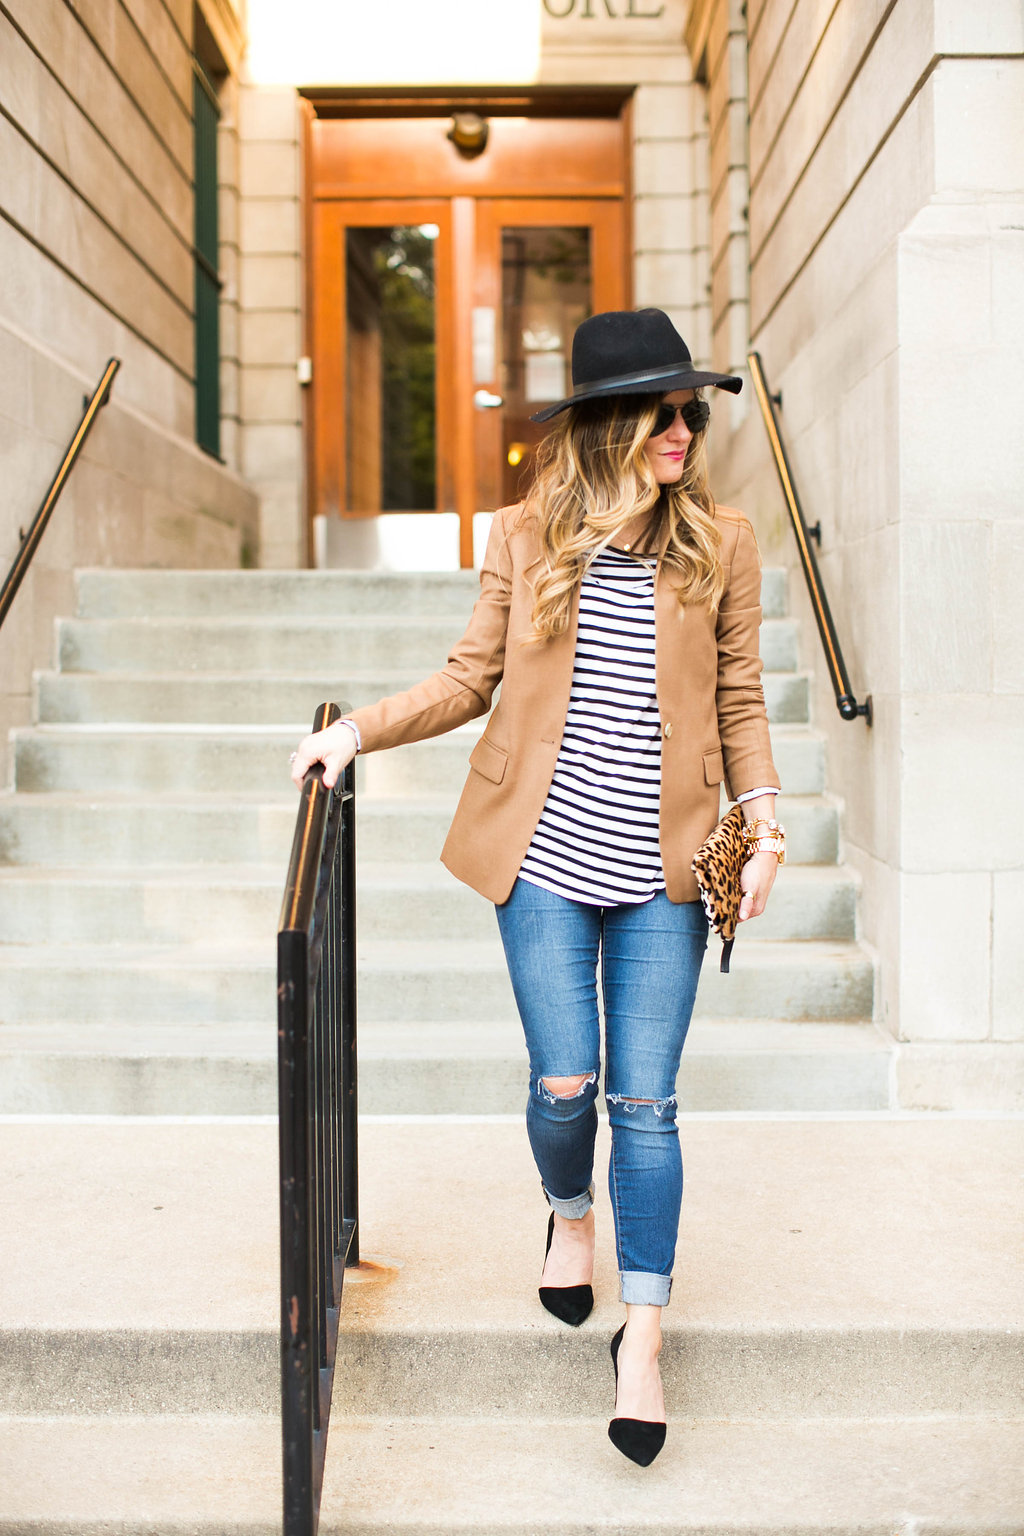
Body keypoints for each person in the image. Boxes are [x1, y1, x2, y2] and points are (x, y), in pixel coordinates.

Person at [290, 308, 783, 1466]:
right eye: (660, 410)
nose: (681, 429)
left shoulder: (723, 539)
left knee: (646, 1105)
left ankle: (643, 1336)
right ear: (608, 423)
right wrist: (356, 732)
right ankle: (569, 1214)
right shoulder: (523, 535)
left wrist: (764, 829)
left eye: (690, 409)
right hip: (546, 864)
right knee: (568, 1084)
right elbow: (470, 678)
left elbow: (743, 699)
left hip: (664, 872)